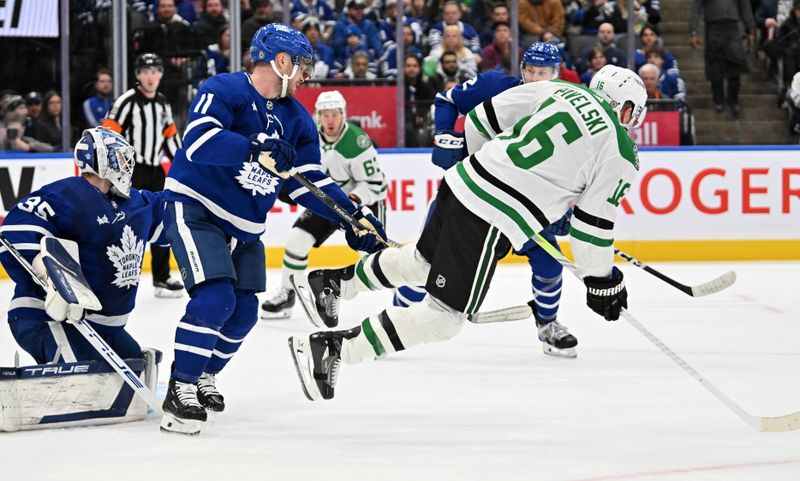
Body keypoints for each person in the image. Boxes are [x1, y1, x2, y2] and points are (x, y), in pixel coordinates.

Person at [288, 65, 646, 401]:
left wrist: (492, 172)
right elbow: (590, 232)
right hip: (490, 217)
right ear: (626, 109)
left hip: (462, 182)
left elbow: (479, 119)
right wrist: (603, 281)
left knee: (422, 263)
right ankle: (334, 349)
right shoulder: (620, 152)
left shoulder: (561, 90)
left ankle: (336, 284)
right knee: (444, 317)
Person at [158, 23, 387, 435]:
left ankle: (204, 374)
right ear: (280, 61)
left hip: (245, 226)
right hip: (196, 208)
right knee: (215, 299)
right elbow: (197, 144)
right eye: (301, 66)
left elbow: (310, 181)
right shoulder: (224, 89)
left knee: (243, 312)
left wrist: (350, 216)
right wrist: (253, 146)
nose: (305, 75)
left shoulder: (297, 119)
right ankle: (180, 387)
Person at [404, 42, 581, 358]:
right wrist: (445, 132)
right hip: (470, 194)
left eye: (545, 73)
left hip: (523, 206)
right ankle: (398, 313)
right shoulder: (495, 85)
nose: (537, 79)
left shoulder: (566, 106)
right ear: (522, 69)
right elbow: (447, 99)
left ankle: (548, 326)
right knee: (428, 259)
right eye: (531, 71)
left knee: (550, 262)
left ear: (557, 74)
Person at [0, 127, 164, 365]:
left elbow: (175, 212)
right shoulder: (68, 194)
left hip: (101, 328)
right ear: (102, 161)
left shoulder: (135, 203)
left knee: (135, 365)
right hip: (46, 318)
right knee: (86, 381)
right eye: (119, 157)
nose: (127, 165)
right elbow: (15, 230)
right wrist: (46, 269)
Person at [261, 91, 387, 319]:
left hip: (359, 206)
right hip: (325, 200)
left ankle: (394, 305)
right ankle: (287, 294)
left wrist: (354, 201)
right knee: (297, 241)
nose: (330, 120)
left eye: (335, 114)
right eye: (325, 115)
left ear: (343, 115)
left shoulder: (357, 142)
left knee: (375, 258)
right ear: (317, 116)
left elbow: (376, 184)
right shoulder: (310, 137)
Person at [103, 53, 184, 298]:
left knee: (163, 219)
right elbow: (108, 136)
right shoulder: (126, 101)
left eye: (155, 72)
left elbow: (170, 137)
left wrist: (183, 164)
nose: (150, 77)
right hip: (130, 172)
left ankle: (161, 277)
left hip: (155, 170)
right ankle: (115, 273)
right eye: (145, 72)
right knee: (125, 221)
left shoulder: (162, 103)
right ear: (138, 75)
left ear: (161, 75)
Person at [690, 0, 755, 118]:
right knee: (715, 67)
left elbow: (745, 7)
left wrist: (750, 28)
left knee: (736, 66)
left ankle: (733, 100)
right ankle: (718, 99)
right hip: (712, 27)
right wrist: (694, 32)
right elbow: (696, 9)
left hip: (732, 27)